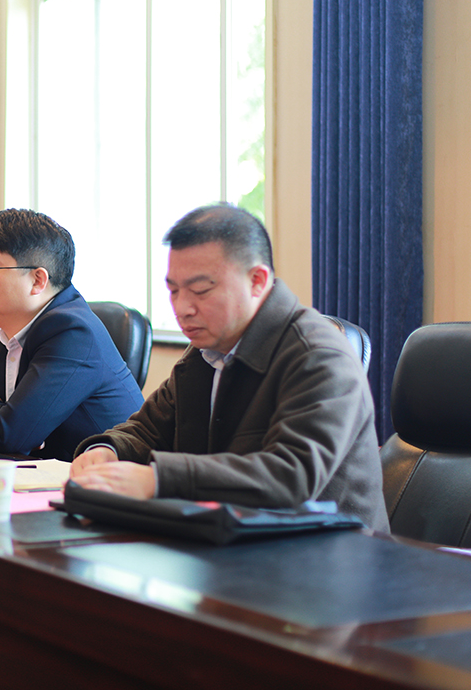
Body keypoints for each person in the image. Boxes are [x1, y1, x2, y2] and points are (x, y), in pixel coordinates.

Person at [70, 204, 389, 531]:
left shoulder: (319, 356)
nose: (182, 308)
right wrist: (107, 450)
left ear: (257, 281)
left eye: (201, 290)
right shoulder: (207, 351)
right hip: (232, 537)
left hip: (331, 551)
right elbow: (148, 429)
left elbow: (289, 477)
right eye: (173, 290)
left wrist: (158, 479)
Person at [0, 209, 144, 461]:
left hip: (103, 478)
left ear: (38, 280)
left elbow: (11, 436)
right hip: (33, 473)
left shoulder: (73, 333)